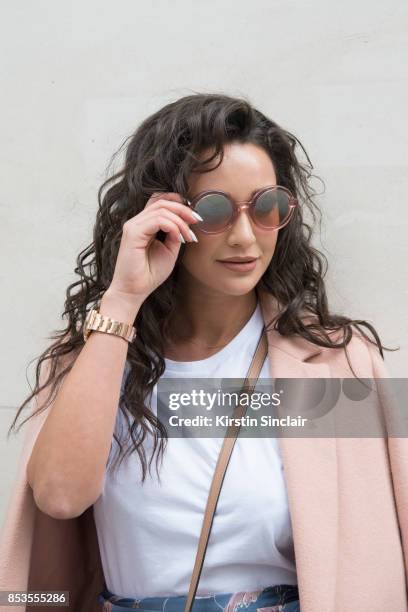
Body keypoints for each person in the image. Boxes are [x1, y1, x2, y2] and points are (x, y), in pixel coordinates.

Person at [3, 93, 407, 612]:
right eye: (213, 210)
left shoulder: (335, 364)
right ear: (162, 215)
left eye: (267, 207)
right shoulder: (94, 358)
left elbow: (373, 555)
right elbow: (59, 497)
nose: (245, 237)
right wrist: (122, 302)